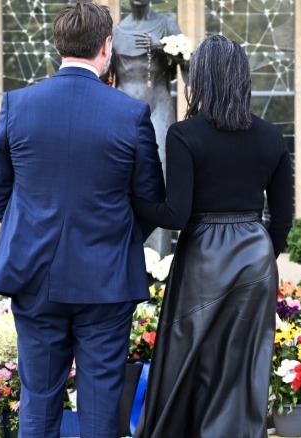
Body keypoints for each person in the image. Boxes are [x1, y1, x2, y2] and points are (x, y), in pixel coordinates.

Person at [0, 2, 165, 437]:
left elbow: (0, 194)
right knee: (101, 404)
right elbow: (150, 200)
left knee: (38, 399)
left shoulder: (17, 105)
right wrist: (117, 236)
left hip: (34, 274)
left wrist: (32, 231)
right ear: (108, 46)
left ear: (57, 45)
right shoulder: (130, 114)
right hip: (105, 278)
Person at [133, 35, 294, 437]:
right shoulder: (271, 136)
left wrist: (133, 197)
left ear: (200, 78)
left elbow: (176, 215)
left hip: (204, 255)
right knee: (242, 368)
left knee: (190, 361)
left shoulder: (185, 134)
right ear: (242, 79)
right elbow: (284, 217)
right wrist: (259, 257)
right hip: (255, 256)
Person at [111, 0, 187, 257]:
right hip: (122, 107)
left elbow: (190, 66)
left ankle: (160, 258)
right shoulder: (116, 32)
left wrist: (165, 49)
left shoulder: (166, 24)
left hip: (158, 105)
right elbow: (103, 74)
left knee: (161, 172)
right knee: (120, 175)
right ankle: (124, 255)